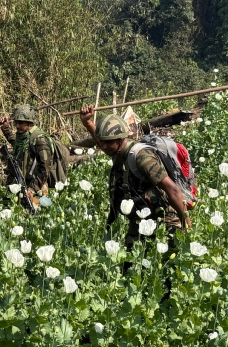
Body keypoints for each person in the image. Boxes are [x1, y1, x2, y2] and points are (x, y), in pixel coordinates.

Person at [79, 105, 191, 250]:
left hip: (166, 217)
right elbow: (102, 140)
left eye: (108, 142)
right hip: (141, 217)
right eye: (102, 142)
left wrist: (187, 226)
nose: (103, 147)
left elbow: (173, 190)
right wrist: (87, 123)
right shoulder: (117, 151)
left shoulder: (142, 157)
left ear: (120, 139)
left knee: (170, 261)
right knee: (129, 262)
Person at [0, 104, 62, 200]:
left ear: (29, 123)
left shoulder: (40, 140)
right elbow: (17, 143)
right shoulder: (24, 135)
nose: (17, 126)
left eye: (20, 123)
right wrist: (6, 128)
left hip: (36, 188)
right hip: (21, 185)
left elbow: (45, 169)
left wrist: (32, 189)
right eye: (16, 122)